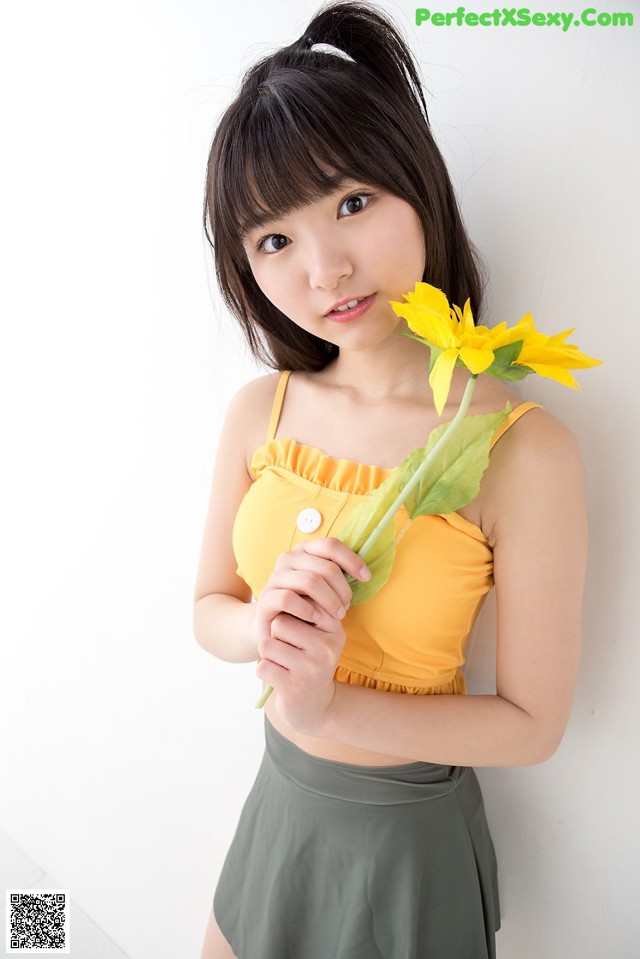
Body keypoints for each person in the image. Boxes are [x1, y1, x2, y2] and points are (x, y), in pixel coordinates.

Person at [193, 3, 588, 957]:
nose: (326, 267)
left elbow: (534, 725)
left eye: (352, 202)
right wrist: (266, 626)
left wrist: (329, 704)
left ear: (418, 186)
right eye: (272, 241)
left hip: (406, 844)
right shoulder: (261, 411)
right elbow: (209, 606)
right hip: (275, 807)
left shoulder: (521, 448)